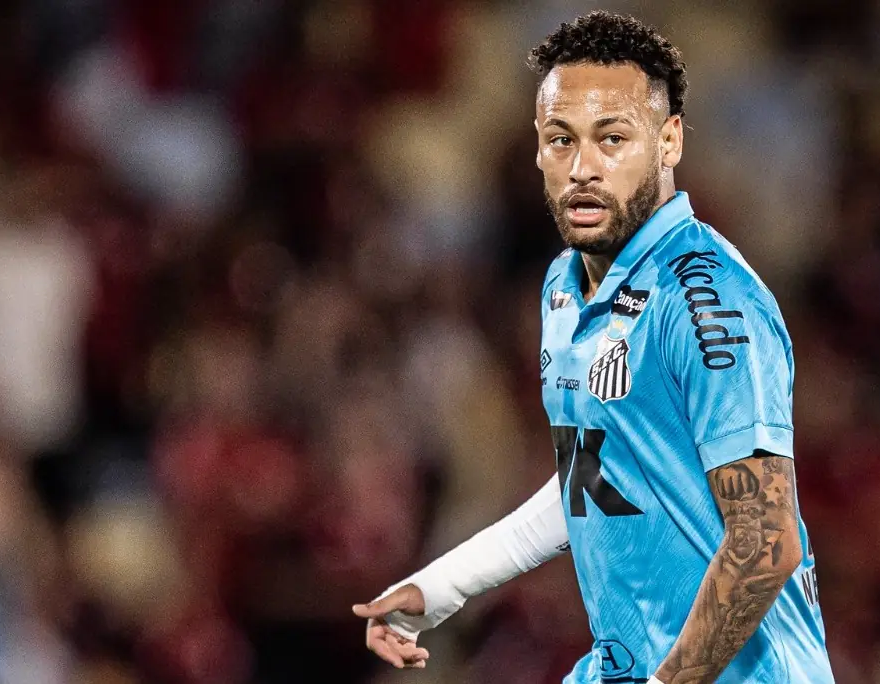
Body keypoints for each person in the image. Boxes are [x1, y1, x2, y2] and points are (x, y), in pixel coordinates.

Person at [352, 11, 834, 684]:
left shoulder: (708, 300)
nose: (582, 168)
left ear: (668, 141)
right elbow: (596, 484)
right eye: (561, 139)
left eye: (612, 138)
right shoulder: (564, 288)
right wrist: (442, 587)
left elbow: (763, 543)